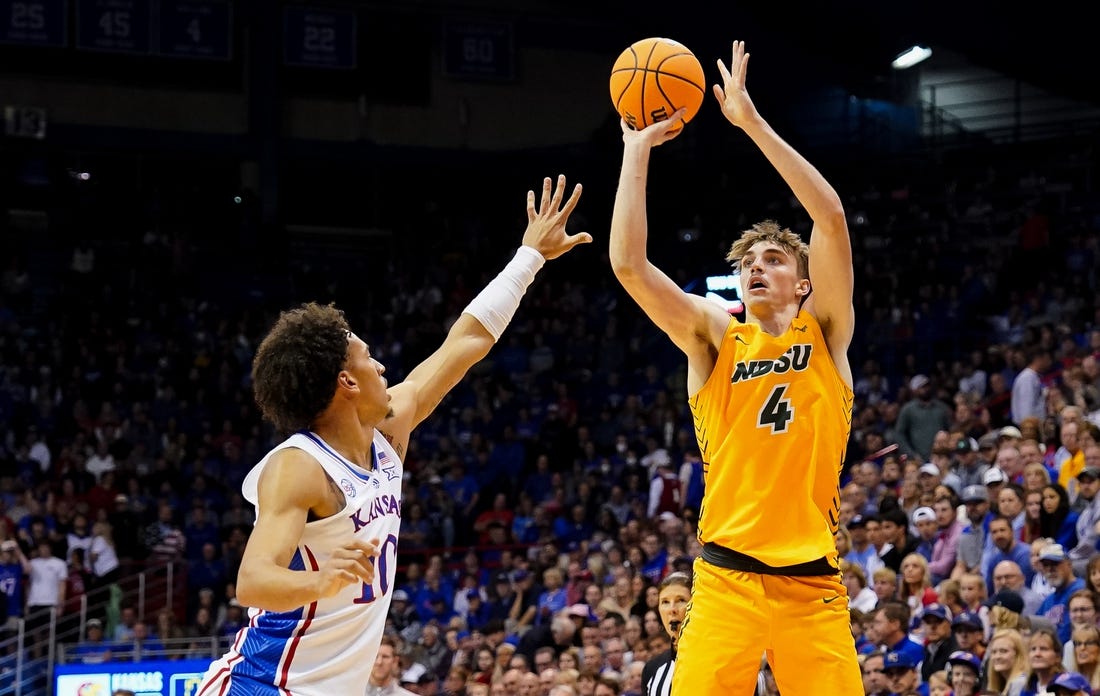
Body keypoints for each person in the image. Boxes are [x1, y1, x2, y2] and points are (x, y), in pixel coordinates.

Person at [196, 175, 590, 696]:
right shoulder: (298, 467)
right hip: (265, 685)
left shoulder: (389, 430)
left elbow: (465, 341)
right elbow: (253, 581)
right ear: (347, 381)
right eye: (368, 357)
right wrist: (319, 581)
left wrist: (529, 257)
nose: (382, 365)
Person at [607, 39, 860, 693]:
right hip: (726, 578)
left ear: (803, 284)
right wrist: (635, 153)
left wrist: (750, 123)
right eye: (749, 263)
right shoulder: (715, 338)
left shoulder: (825, 332)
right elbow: (629, 267)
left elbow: (829, 217)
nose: (758, 268)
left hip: (813, 584)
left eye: (775, 260)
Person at [641, 572, 690, 696]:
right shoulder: (652, 668)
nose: (672, 609)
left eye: (681, 600)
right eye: (665, 602)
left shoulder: (714, 660)